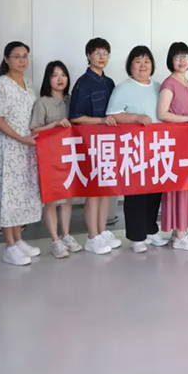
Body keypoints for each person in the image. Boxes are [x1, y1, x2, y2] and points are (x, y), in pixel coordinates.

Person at [106, 46, 168, 254]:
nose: (143, 66)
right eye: (138, 61)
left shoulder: (158, 87)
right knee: (136, 193)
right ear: (130, 65)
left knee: (155, 191)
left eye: (147, 61)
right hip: (133, 150)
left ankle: (151, 230)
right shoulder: (123, 88)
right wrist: (136, 118)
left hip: (157, 147)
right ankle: (136, 236)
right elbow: (113, 115)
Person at [0, 41, 42, 266]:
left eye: (25, 56)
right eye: (17, 56)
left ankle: (19, 240)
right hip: (12, 147)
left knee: (23, 193)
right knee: (9, 195)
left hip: (29, 147)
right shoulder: (2, 84)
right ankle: (9, 245)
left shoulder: (28, 83)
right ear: (6, 59)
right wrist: (22, 139)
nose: (22, 61)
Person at [68, 38, 120, 255]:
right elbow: (75, 117)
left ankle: (102, 231)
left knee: (106, 190)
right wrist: (100, 121)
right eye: (97, 53)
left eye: (105, 53)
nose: (102, 57)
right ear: (88, 55)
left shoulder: (109, 83)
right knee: (93, 192)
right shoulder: (82, 84)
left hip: (108, 143)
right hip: (90, 143)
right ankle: (92, 236)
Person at [30, 61, 82, 259]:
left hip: (69, 157)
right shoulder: (42, 102)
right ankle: (55, 240)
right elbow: (34, 131)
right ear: (48, 79)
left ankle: (66, 235)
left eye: (63, 75)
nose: (60, 79)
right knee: (51, 200)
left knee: (67, 198)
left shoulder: (71, 101)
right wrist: (54, 125)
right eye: (55, 75)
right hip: (50, 158)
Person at [158, 42, 188, 252]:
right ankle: (179, 234)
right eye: (177, 57)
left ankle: (183, 228)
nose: (182, 60)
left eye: (185, 56)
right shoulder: (169, 83)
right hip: (175, 141)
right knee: (178, 186)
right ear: (170, 60)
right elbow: (162, 114)